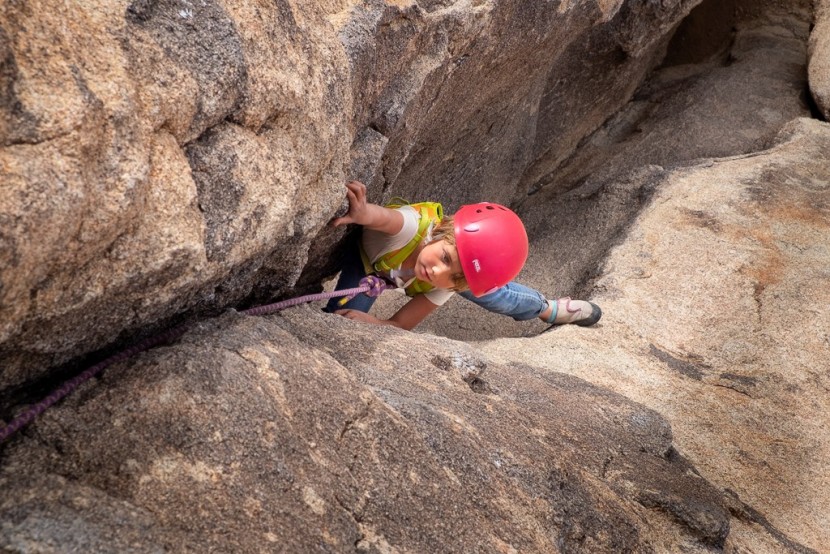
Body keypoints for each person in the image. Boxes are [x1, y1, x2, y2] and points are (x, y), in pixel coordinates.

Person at [325, 181, 601, 331]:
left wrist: (376, 324)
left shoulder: (447, 279)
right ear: (441, 231)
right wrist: (363, 214)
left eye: (455, 275)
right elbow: (384, 218)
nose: (438, 273)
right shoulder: (411, 227)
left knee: (492, 293)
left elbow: (400, 324)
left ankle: (545, 308)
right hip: (367, 263)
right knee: (337, 320)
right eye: (445, 258)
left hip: (399, 271)